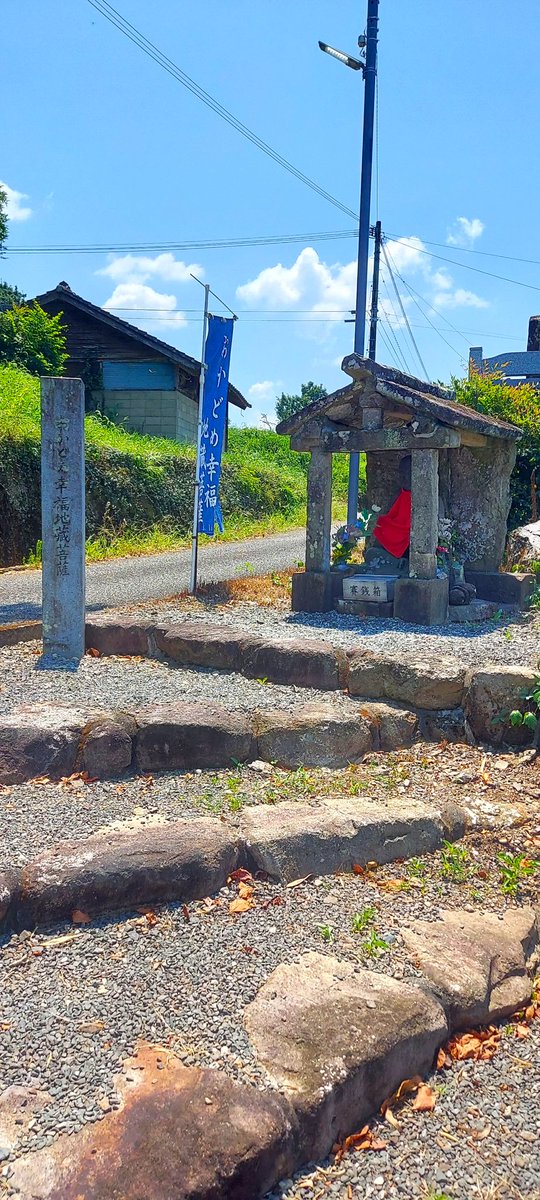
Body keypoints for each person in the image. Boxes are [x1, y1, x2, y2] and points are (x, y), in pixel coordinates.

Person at [371, 455, 412, 559]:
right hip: (392, 537)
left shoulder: (428, 497)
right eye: (401, 473)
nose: (404, 477)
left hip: (410, 540)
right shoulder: (397, 494)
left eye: (408, 473)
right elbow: (387, 518)